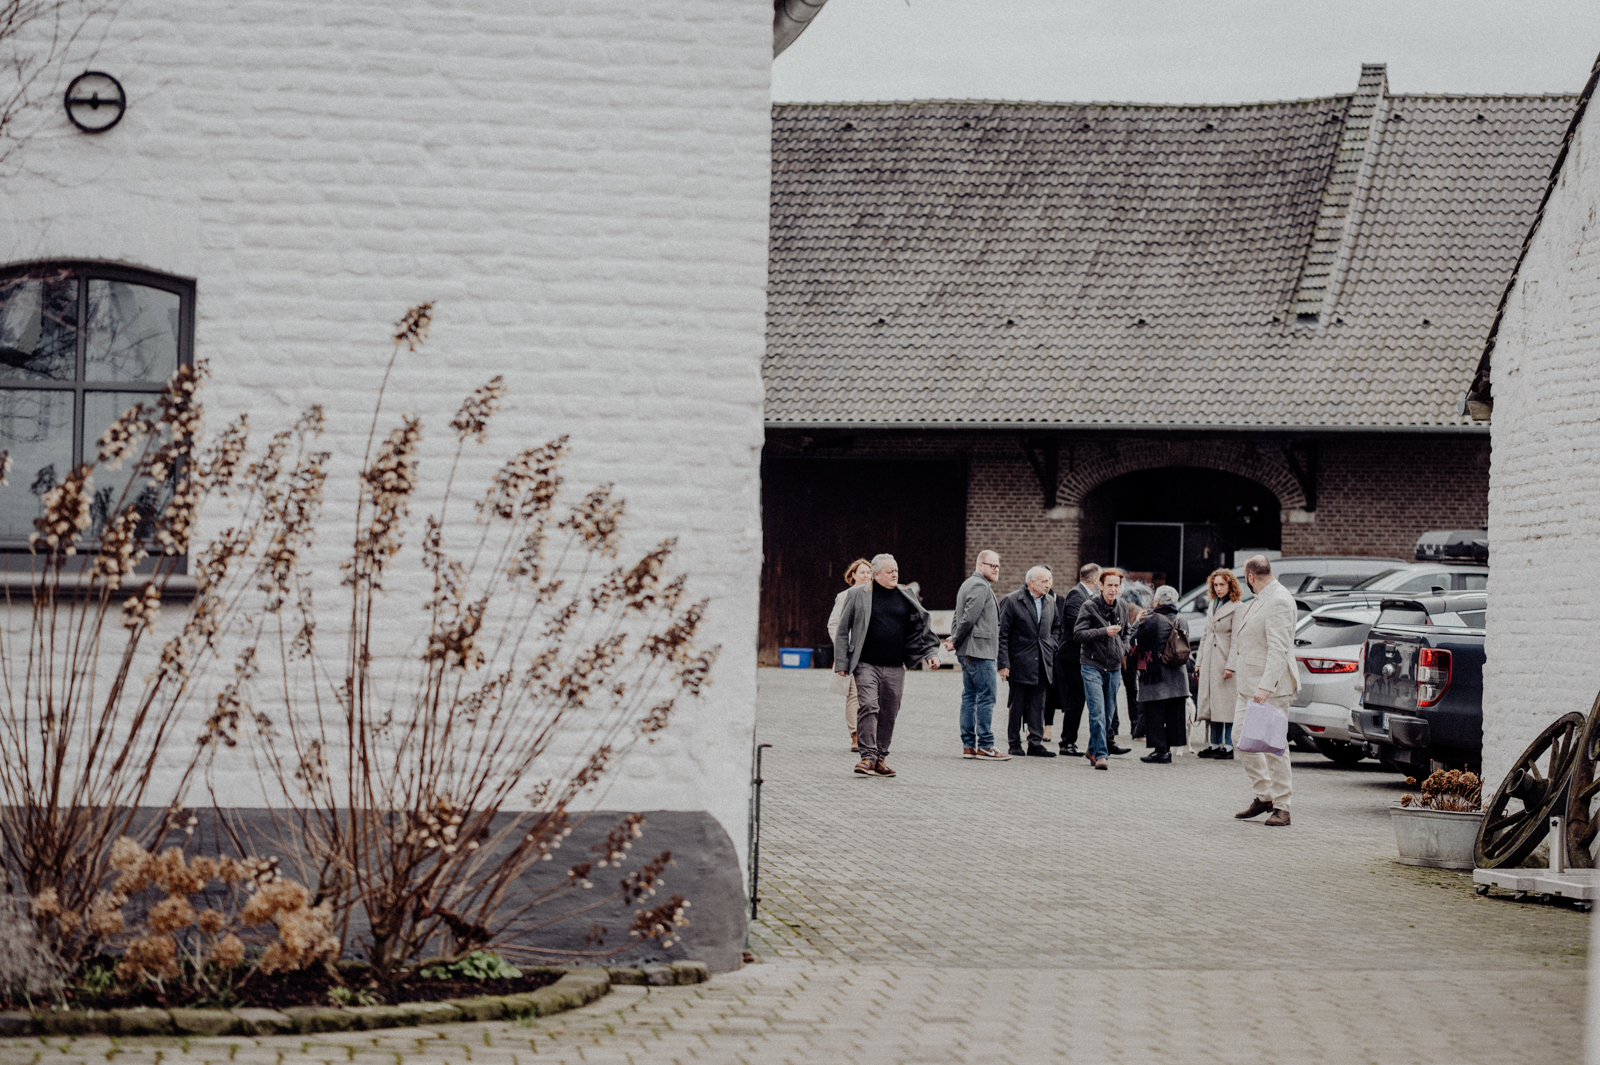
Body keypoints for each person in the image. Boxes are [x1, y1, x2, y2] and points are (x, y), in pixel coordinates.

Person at [832, 554, 941, 778]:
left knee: (889, 711)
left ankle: (880, 757)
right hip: (865, 663)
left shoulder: (906, 595)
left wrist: (930, 653)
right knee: (869, 705)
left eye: (896, 570)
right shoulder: (857, 595)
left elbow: (921, 627)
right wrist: (842, 663)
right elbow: (843, 630)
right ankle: (867, 756)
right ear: (876, 575)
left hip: (895, 665)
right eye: (889, 571)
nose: (894, 574)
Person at [1225, 555, 1301, 826]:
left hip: (1270, 688)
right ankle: (1264, 795)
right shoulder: (1262, 597)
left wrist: (1265, 687)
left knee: (1274, 747)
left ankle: (1283, 805)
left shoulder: (1278, 600)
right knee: (1240, 738)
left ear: (1250, 577)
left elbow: (1279, 648)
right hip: (1250, 686)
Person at [1074, 567, 1141, 769]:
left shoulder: (1122, 605)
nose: (1113, 589)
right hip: (1091, 665)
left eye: (1116, 586)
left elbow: (1127, 632)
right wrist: (1104, 632)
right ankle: (1102, 755)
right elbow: (1078, 634)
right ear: (1100, 586)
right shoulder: (1089, 606)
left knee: (1108, 713)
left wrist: (1123, 648)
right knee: (1097, 712)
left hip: (1113, 667)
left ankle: (1092, 749)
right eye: (1109, 585)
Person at [946, 550, 1009, 761]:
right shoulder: (980, 585)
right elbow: (967, 618)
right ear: (980, 565)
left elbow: (959, 615)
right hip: (979, 652)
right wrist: (955, 640)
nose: (997, 569)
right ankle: (985, 745)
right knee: (986, 697)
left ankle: (968, 746)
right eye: (993, 566)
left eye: (998, 566)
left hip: (971, 650)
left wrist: (955, 638)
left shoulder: (968, 584)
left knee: (970, 696)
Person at [997, 565, 1058, 757]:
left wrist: (1051, 645)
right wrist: (1003, 663)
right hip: (1019, 661)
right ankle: (1014, 742)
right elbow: (1002, 634)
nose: (1049, 584)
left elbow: (1057, 628)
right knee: (1018, 704)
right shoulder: (1013, 600)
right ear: (1031, 583)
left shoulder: (1050, 601)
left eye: (1050, 580)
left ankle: (1035, 743)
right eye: (1045, 581)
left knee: (1038, 704)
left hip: (1042, 661)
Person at [1132, 585, 1188, 763]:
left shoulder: (1150, 619)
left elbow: (1133, 639)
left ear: (1156, 601)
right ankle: (1169, 749)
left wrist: (1136, 621)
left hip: (1156, 675)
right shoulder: (1182, 619)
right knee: (1173, 714)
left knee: (1155, 714)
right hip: (1178, 675)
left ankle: (1160, 751)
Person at [1052, 562, 1100, 756]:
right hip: (1072, 657)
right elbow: (1076, 626)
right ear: (1095, 579)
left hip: (1085, 656)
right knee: (1076, 699)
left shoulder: (1090, 597)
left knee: (1082, 698)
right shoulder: (1075, 595)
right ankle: (1067, 742)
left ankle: (1104, 740)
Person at [827, 557, 874, 753]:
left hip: (872, 652)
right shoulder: (844, 596)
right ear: (853, 575)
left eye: (869, 572)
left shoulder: (876, 595)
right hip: (852, 653)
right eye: (862, 572)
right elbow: (835, 625)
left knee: (871, 696)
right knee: (854, 693)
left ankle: (869, 735)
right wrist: (843, 651)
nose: (866, 575)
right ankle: (855, 735)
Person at [1196, 568, 1243, 759]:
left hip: (1224, 661)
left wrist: (1231, 665)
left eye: (1222, 584)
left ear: (1230, 585)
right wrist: (1199, 662)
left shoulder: (1238, 607)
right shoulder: (1212, 605)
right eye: (1215, 585)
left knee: (1227, 706)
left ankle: (1230, 747)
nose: (1218, 588)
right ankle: (1215, 744)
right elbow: (1206, 635)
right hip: (1210, 661)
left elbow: (1237, 639)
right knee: (1213, 705)